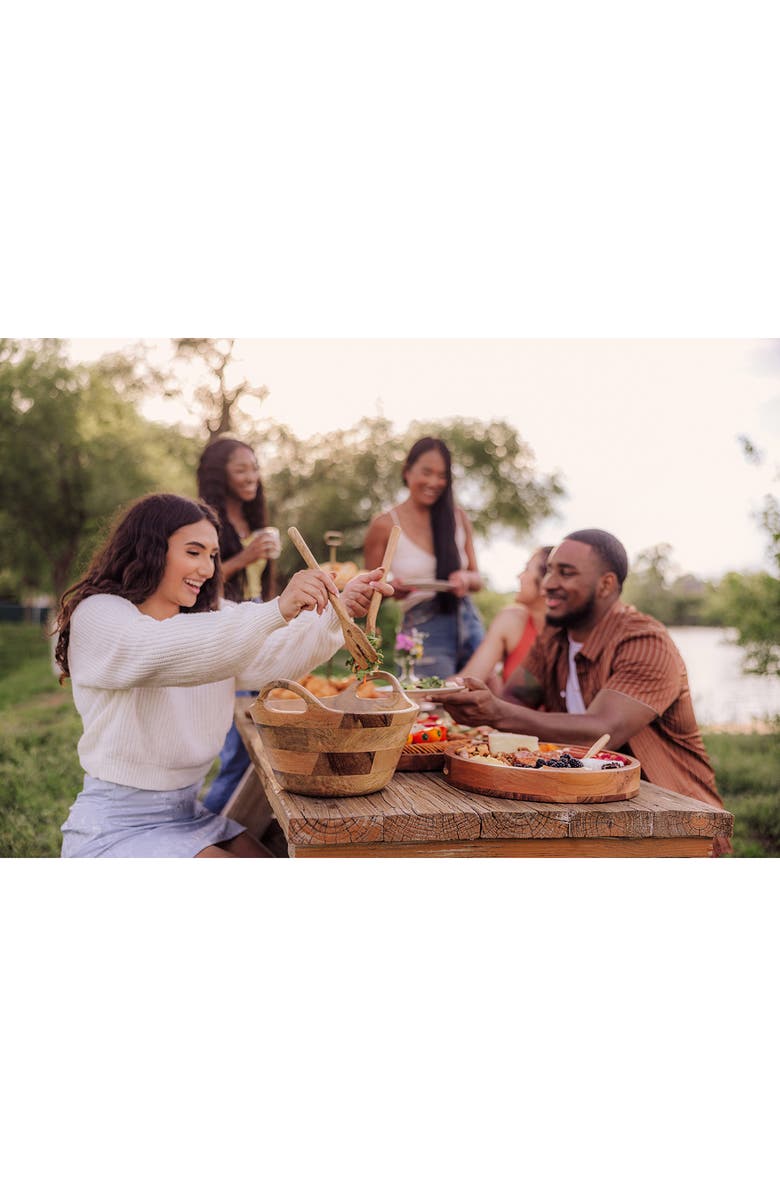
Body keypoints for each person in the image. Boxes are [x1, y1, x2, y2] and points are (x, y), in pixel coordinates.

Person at [54, 493, 392, 858]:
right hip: (116, 824)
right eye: (194, 552)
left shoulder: (211, 618)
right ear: (150, 548)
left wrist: (338, 611)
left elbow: (270, 657)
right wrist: (277, 608)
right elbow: (160, 649)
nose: (208, 569)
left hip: (189, 813)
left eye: (213, 556)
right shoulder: (99, 614)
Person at [440, 528, 730, 854]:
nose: (549, 583)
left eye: (566, 573)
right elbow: (517, 697)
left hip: (675, 823)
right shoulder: (556, 634)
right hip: (591, 808)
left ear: (606, 584)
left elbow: (603, 729)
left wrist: (497, 713)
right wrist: (470, 700)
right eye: (549, 570)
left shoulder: (645, 642)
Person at [196, 437, 280, 813]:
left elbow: (257, 586)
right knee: (240, 748)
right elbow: (201, 580)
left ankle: (242, 824)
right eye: (241, 469)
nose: (252, 476)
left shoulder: (253, 518)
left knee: (261, 740)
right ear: (220, 475)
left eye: (255, 468)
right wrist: (246, 556)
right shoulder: (204, 520)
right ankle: (208, 824)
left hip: (257, 619)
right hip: (224, 625)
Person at [363, 436, 484, 677]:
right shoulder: (385, 525)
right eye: (426, 472)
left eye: (442, 476)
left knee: (477, 704)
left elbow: (478, 580)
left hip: (468, 619)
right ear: (407, 472)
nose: (434, 482)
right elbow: (368, 591)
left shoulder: (458, 517)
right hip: (422, 626)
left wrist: (466, 579)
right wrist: (392, 589)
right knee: (428, 704)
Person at [454, 546, 553, 693]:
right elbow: (469, 678)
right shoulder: (512, 619)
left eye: (527, 569)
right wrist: (421, 690)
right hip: (512, 714)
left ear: (546, 580)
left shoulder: (575, 630)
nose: (519, 576)